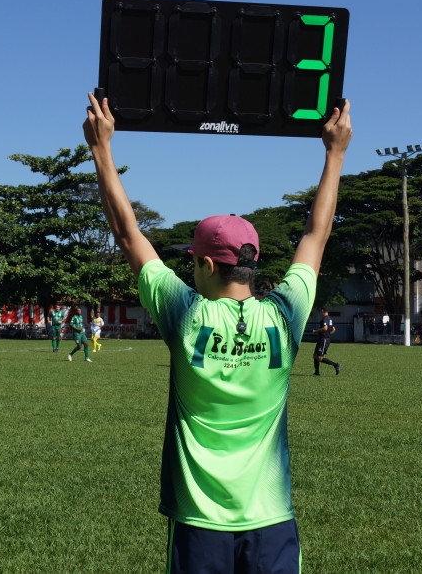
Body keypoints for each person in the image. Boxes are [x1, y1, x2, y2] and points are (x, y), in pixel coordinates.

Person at [83, 90, 351, 572]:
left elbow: (128, 235)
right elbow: (317, 234)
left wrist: (102, 148)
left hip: (198, 519)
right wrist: (335, 153)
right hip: (271, 515)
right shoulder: (286, 313)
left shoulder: (186, 314)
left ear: (206, 264)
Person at [312, 308, 341, 375]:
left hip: (323, 339)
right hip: (323, 338)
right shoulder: (330, 319)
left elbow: (325, 328)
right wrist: (328, 334)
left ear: (322, 311)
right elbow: (333, 329)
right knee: (315, 355)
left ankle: (336, 365)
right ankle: (316, 373)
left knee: (319, 357)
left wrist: (316, 331)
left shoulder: (324, 318)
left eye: (321, 311)